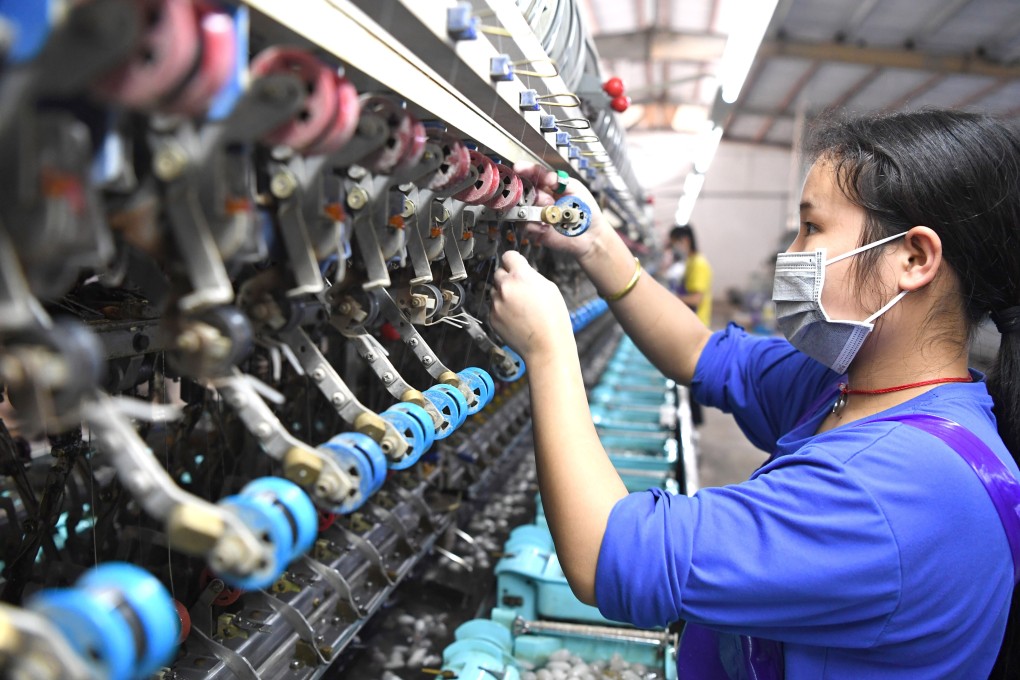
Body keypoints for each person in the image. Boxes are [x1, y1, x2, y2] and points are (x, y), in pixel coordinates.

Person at [490, 109, 1020, 679]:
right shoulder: (856, 386)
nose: (791, 254)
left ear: (913, 259)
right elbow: (702, 352)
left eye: (812, 228)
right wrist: (596, 244)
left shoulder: (899, 491)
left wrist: (548, 345)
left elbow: (606, 552)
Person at [668, 224, 713, 327]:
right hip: (691, 319)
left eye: (674, 243)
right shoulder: (690, 261)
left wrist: (672, 297)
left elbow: (696, 299)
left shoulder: (699, 264)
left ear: (685, 240)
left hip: (698, 323)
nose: (673, 248)